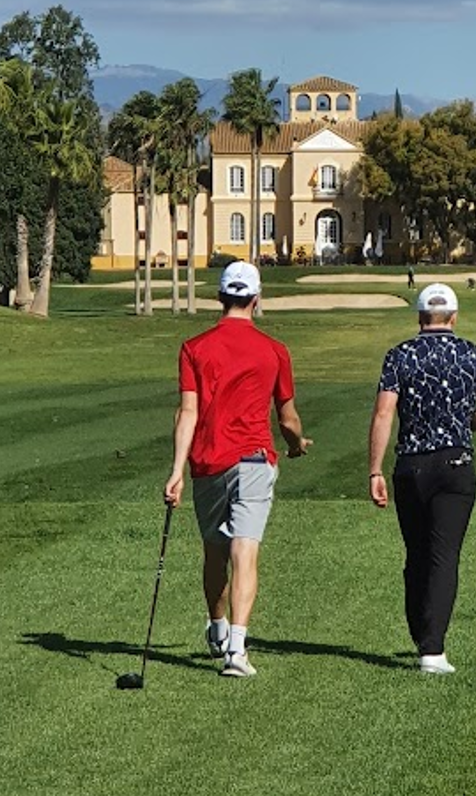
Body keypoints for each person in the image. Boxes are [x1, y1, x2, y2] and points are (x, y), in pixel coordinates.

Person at [163, 261, 311, 678]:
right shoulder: (274, 350)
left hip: (207, 462)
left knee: (214, 550)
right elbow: (287, 417)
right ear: (256, 298)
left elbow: (187, 412)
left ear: (220, 297)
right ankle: (236, 651)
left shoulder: (194, 347)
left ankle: (218, 627)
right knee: (244, 549)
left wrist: (176, 470)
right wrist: (297, 443)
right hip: (253, 459)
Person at [367, 283, 476, 674]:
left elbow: (383, 414)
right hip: (456, 463)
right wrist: (464, 423)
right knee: (445, 556)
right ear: (454, 317)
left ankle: (420, 633)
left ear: (420, 317)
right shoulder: (473, 354)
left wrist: (375, 469)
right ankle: (433, 650)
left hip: (411, 466)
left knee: (417, 555)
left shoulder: (400, 356)